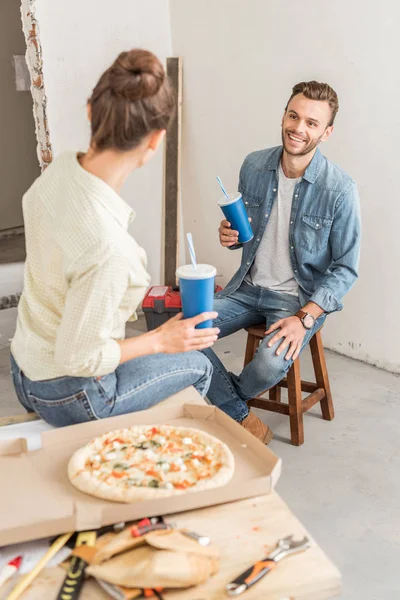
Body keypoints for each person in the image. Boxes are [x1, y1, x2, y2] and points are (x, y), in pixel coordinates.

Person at [10, 49, 220, 428]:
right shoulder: (110, 249)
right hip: (70, 394)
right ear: (156, 141)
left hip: (23, 368)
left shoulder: (58, 172)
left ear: (91, 109)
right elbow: (79, 359)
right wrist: (160, 340)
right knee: (199, 364)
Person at [204, 81, 361, 444]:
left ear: (327, 132)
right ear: (284, 115)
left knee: (270, 363)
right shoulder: (254, 166)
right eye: (294, 116)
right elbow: (245, 236)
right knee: (186, 330)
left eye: (311, 122)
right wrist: (229, 235)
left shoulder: (340, 189)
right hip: (246, 288)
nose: (299, 128)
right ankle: (239, 415)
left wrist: (306, 317)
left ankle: (225, 403)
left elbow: (346, 268)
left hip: (297, 302)